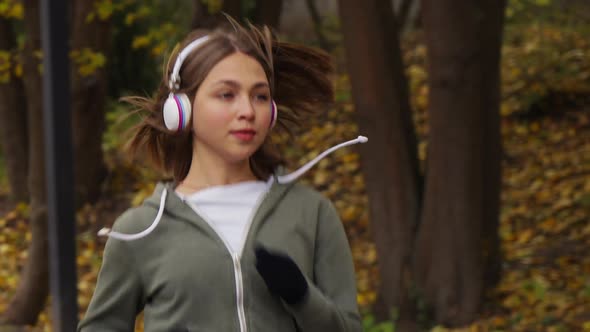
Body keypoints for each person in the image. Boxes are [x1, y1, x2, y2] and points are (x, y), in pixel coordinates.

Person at [78, 16, 365, 332]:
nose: (248, 110)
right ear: (181, 110)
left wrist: (302, 298)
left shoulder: (312, 214)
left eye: (259, 96)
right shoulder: (141, 230)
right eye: (227, 94)